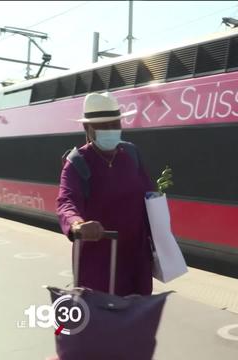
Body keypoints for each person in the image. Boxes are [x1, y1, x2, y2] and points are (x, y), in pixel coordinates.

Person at [56, 92, 155, 297]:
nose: (111, 130)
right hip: (98, 264)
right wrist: (76, 224)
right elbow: (66, 201)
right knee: (102, 324)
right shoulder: (76, 163)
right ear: (88, 128)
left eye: (115, 124)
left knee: (138, 323)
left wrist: (161, 227)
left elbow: (148, 195)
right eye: (103, 125)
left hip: (137, 261)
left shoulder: (132, 154)